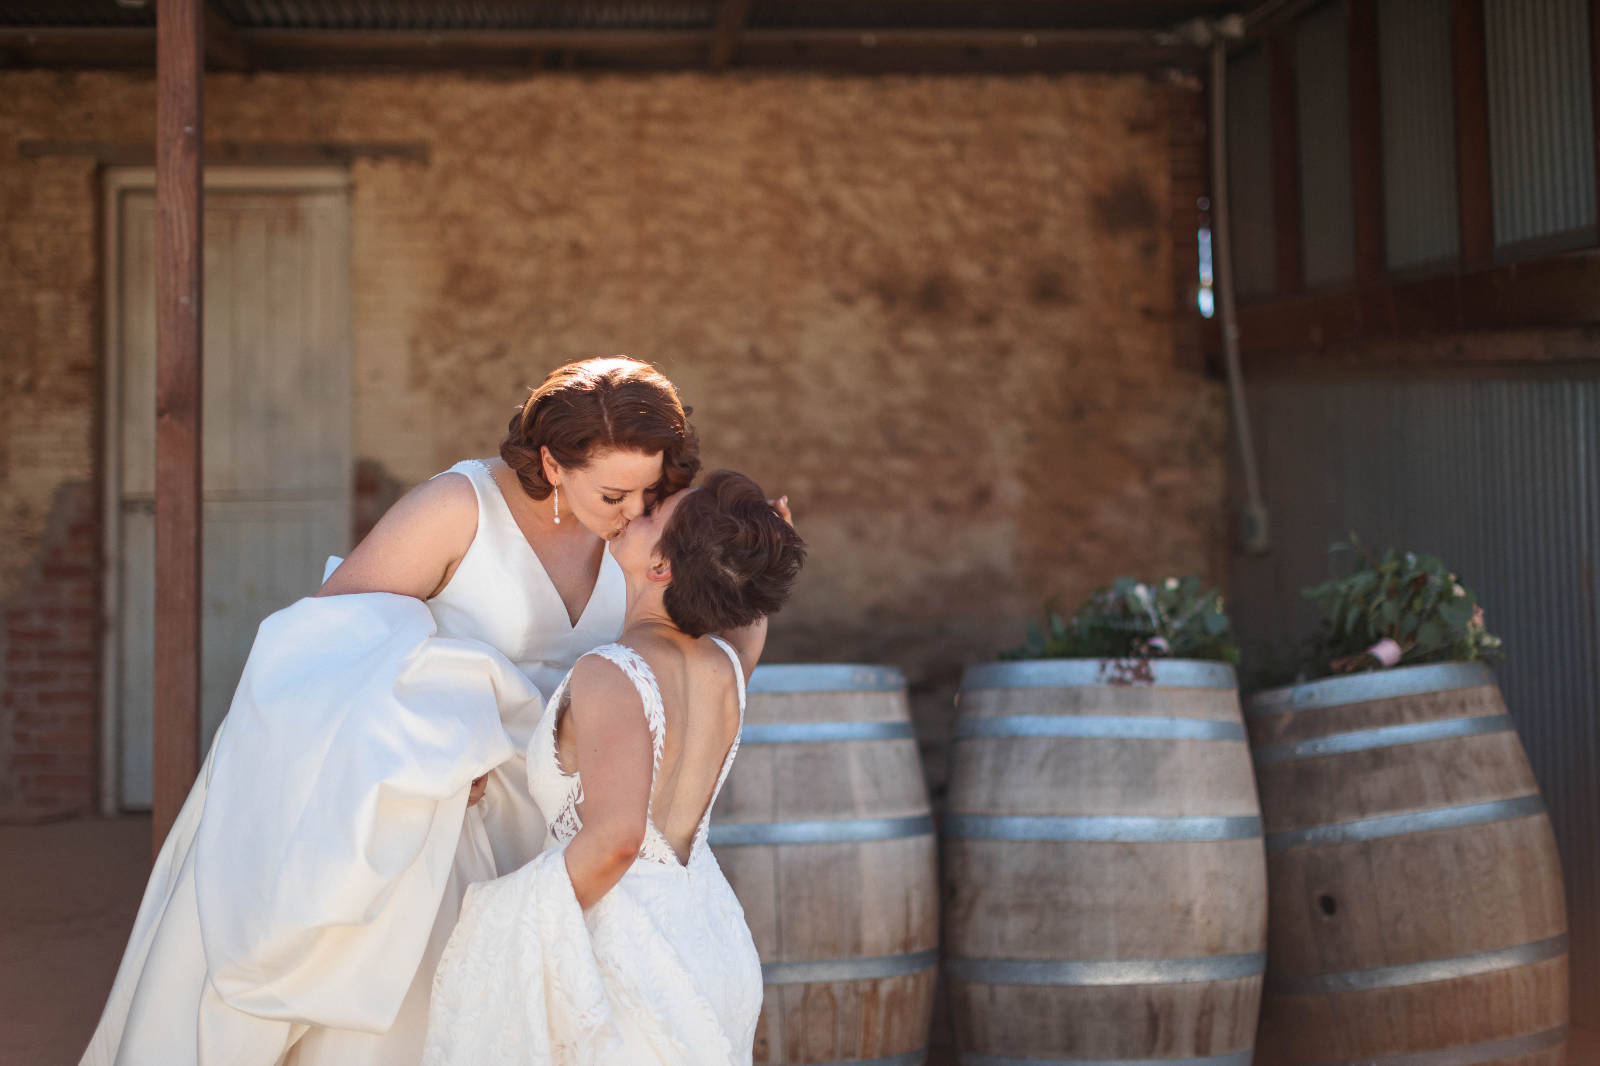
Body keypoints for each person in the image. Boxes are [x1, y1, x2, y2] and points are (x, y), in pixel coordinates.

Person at [81, 357, 740, 1066]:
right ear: (552, 463)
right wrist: (441, 742)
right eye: (614, 494)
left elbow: (683, 654)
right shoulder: (458, 509)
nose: (636, 515)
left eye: (651, 491)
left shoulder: (650, 530)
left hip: (561, 821)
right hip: (439, 809)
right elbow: (322, 653)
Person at [422, 470, 806, 1066]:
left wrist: (505, 915)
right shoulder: (726, 667)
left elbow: (618, 842)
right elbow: (751, 619)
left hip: (627, 952)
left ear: (661, 569)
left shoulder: (612, 670)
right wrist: (759, 543)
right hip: (712, 938)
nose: (637, 510)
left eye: (653, 514)